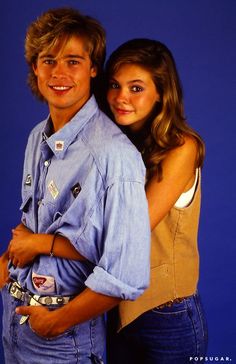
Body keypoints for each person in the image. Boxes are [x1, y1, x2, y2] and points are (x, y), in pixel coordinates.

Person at [0, 10, 151, 364]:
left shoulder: (114, 156)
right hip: (15, 322)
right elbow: (34, 227)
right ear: (35, 68)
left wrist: (54, 325)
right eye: (48, 60)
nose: (59, 73)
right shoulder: (37, 136)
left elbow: (124, 275)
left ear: (93, 68)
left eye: (73, 61)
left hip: (64, 340)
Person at [105, 38, 208, 364]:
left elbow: (132, 230)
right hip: (116, 312)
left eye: (136, 88)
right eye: (115, 85)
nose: (121, 97)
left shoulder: (182, 147)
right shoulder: (115, 145)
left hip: (169, 317)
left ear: (161, 92)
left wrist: (45, 244)